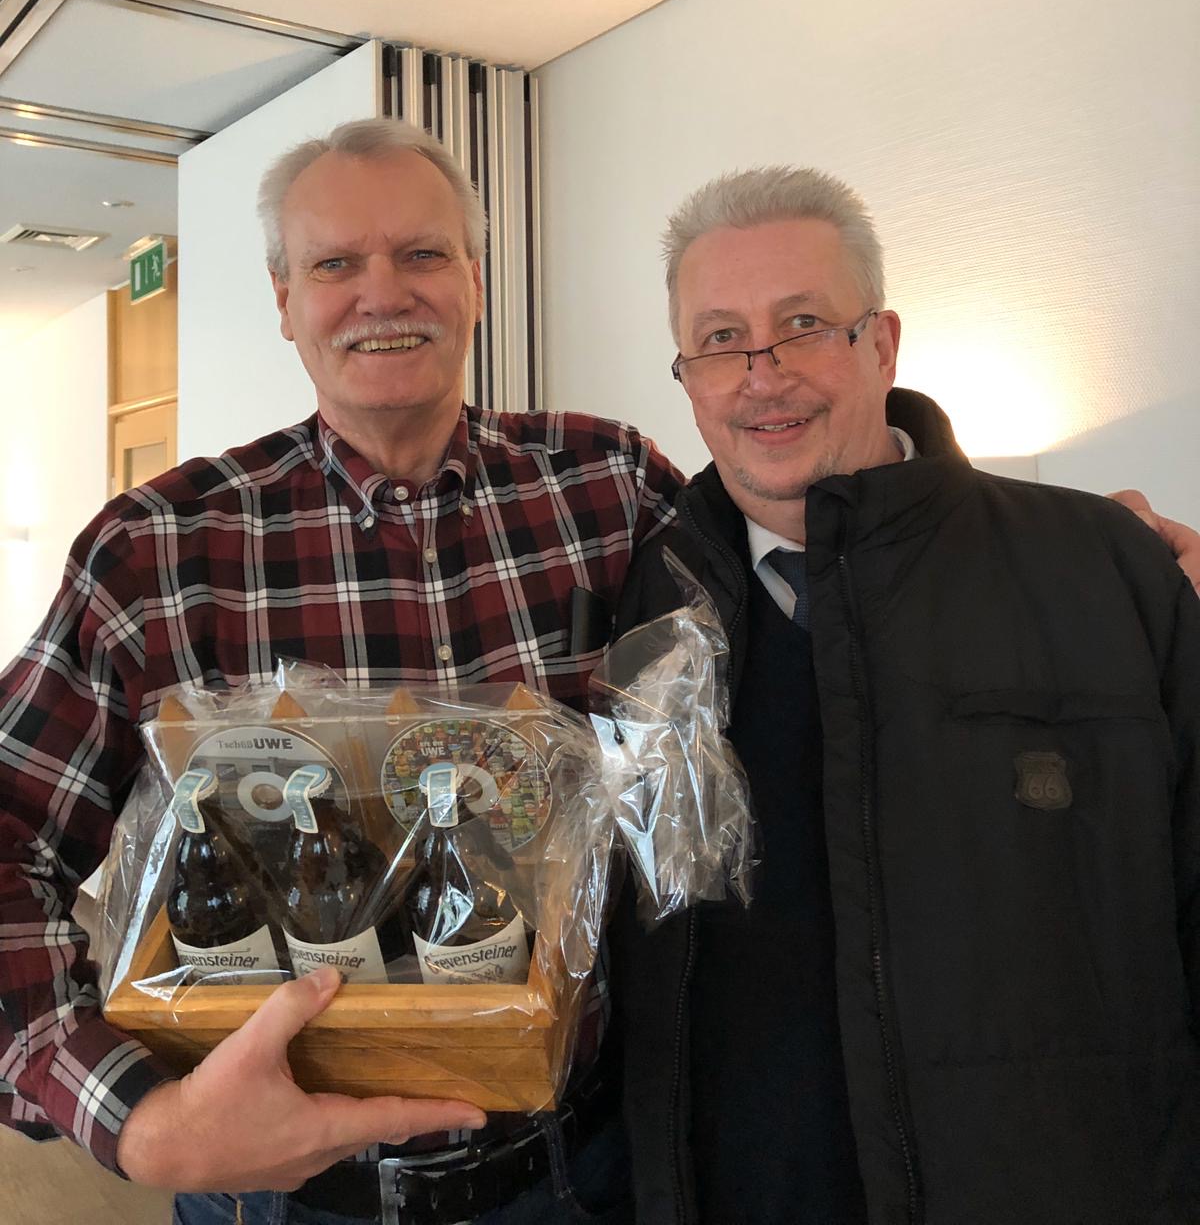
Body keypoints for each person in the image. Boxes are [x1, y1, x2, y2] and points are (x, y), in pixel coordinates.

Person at [0, 122, 1194, 1225]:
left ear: (475, 280)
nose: (383, 292)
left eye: (423, 252)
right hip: (289, 1196)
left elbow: (822, 534)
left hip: (585, 1175)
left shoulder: (607, 487)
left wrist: (1074, 556)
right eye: (335, 264)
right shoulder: (161, 549)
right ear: (283, 300)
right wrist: (136, 1119)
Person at [609, 165, 1200, 1225]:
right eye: (722, 339)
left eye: (803, 325)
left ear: (881, 344)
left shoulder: (1104, 570)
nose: (762, 375)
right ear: (688, 375)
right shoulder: (649, 605)